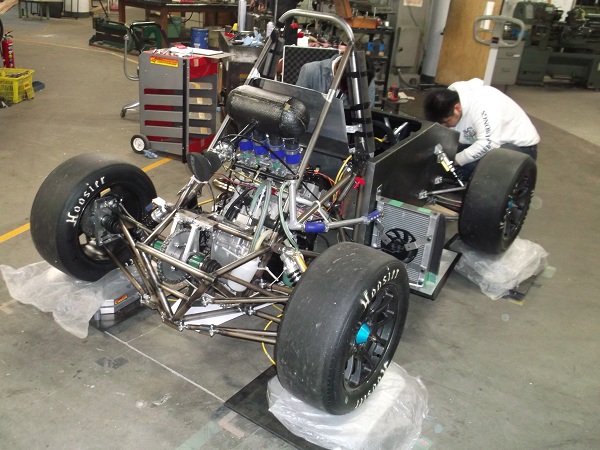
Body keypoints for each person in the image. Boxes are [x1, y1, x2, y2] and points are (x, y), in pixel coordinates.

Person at [424, 78, 539, 178]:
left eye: (446, 122)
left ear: (457, 108)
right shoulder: (451, 99)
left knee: (469, 170)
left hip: (519, 148)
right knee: (439, 160)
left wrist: (457, 160)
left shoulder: (484, 104)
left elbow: (488, 143)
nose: (444, 126)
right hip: (484, 142)